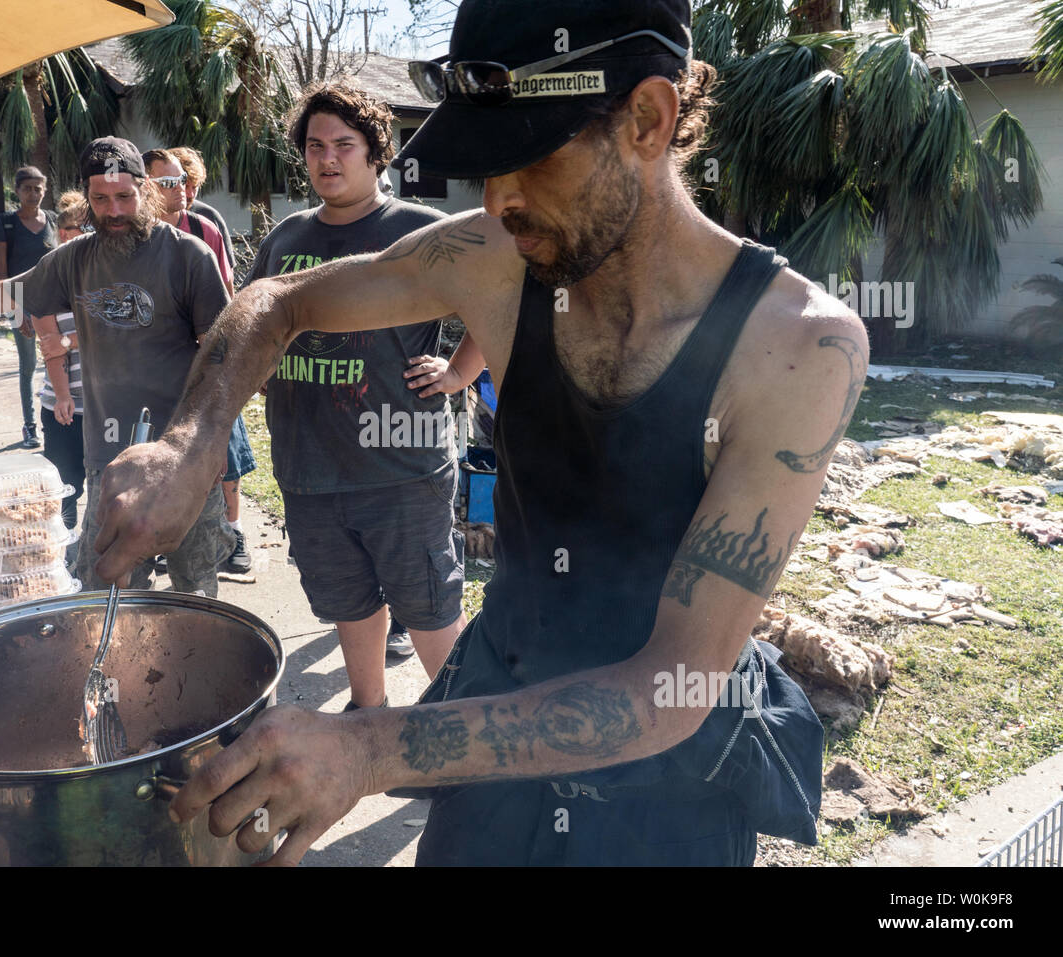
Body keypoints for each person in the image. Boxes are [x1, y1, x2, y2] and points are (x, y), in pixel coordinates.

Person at [92, 0, 863, 866]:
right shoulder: (500, 258)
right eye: (484, 165)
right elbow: (284, 298)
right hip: (498, 705)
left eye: (529, 157)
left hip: (667, 787)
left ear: (648, 119)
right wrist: (190, 442)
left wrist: (369, 747)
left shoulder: (800, 347)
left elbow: (669, 685)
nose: (497, 199)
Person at [0, 136, 235, 597]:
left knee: (194, 589)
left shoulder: (188, 256)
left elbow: (222, 359)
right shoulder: (74, 260)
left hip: (183, 461)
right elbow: (0, 292)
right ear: (87, 200)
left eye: (125, 196)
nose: (115, 211)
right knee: (107, 589)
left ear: (145, 191)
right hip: (112, 462)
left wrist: (212, 441)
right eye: (101, 200)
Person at [236, 80, 481, 706]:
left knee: (428, 608)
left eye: (345, 145)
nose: (328, 159)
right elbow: (256, 324)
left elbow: (499, 305)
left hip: (400, 466)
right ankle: (368, 710)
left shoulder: (423, 231)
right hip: (309, 469)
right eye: (316, 145)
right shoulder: (285, 240)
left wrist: (458, 373)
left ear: (377, 153)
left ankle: (462, 736)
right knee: (349, 601)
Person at [143, 148, 257, 575]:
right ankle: (158, 536)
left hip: (208, 365)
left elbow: (227, 300)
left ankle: (232, 533)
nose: (183, 191)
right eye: (170, 183)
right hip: (156, 373)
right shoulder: (131, 237)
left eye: (184, 182)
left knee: (226, 456)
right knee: (156, 456)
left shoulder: (205, 230)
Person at [29, 191, 92, 531]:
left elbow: (116, 333)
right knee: (64, 487)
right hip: (62, 406)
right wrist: (64, 396)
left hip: (107, 405)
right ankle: (62, 552)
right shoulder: (48, 274)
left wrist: (69, 341)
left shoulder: (106, 274)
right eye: (64, 228)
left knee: (108, 486)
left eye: (79, 228)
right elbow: (49, 346)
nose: (69, 234)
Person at [0, 166, 57, 450]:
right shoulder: (6, 222)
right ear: (17, 191)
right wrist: (16, 313)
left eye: (38, 188)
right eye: (28, 188)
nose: (33, 193)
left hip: (53, 305)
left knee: (59, 361)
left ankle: (57, 421)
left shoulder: (53, 220)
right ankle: (30, 427)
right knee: (28, 366)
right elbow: (2, 275)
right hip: (22, 305)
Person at [170, 146, 236, 269]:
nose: (190, 194)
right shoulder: (143, 218)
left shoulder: (208, 217)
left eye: (195, 187)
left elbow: (226, 276)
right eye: (185, 185)